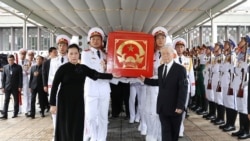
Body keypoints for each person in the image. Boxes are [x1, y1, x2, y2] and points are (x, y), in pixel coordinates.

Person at [50, 44, 113, 141]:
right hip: (64, 101)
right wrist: (53, 104)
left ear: (79, 54)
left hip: (78, 100)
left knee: (77, 123)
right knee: (65, 124)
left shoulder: (83, 68)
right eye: (71, 54)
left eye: (76, 53)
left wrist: (112, 75)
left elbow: (96, 75)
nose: (74, 56)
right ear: (68, 55)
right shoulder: (62, 68)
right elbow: (54, 86)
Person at [140, 45, 188, 141]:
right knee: (165, 133)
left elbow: (183, 89)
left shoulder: (180, 69)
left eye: (167, 53)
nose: (165, 56)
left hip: (175, 107)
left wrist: (180, 106)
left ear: (173, 55)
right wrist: (145, 80)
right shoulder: (160, 68)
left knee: (174, 134)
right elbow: (159, 82)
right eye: (163, 54)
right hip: (163, 107)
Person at [81, 27, 112, 141]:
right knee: (91, 116)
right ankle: (94, 137)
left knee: (103, 117)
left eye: (98, 38)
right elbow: (89, 72)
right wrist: (107, 75)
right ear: (89, 41)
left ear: (102, 41)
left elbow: (112, 71)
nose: (95, 41)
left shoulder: (106, 55)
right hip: (91, 89)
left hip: (104, 89)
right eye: (93, 38)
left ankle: (102, 138)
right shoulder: (85, 53)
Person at [44, 35, 70, 132]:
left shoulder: (71, 60)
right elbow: (51, 79)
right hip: (56, 91)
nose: (62, 47)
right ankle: (56, 134)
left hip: (67, 91)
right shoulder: (53, 61)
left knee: (67, 113)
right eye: (60, 45)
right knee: (55, 113)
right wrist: (51, 95)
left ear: (67, 47)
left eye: (64, 45)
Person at [173, 37, 195, 137]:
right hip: (174, 86)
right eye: (178, 47)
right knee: (174, 107)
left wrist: (193, 87)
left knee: (183, 107)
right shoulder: (172, 59)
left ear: (184, 48)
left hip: (186, 86)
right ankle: (175, 127)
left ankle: (180, 127)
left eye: (182, 47)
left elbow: (191, 74)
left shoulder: (188, 60)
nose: (180, 49)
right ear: (175, 48)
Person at [0, 54, 23, 119]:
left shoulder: (18, 67)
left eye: (12, 60)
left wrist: (20, 86)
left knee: (16, 100)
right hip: (7, 86)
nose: (10, 61)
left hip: (15, 87)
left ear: (14, 60)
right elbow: (3, 78)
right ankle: (5, 114)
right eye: (9, 60)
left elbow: (20, 77)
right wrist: (3, 87)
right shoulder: (5, 67)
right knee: (6, 100)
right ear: (7, 60)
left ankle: (15, 113)